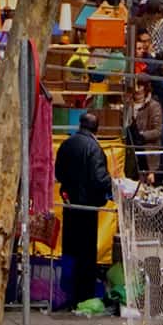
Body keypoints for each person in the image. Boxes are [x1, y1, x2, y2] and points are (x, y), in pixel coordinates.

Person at [57, 111, 115, 305]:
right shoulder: (94, 148)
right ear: (96, 128)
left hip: (70, 203)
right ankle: (84, 295)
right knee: (86, 254)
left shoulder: (67, 144)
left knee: (71, 250)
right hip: (88, 206)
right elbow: (99, 179)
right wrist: (113, 184)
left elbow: (59, 172)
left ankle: (69, 293)